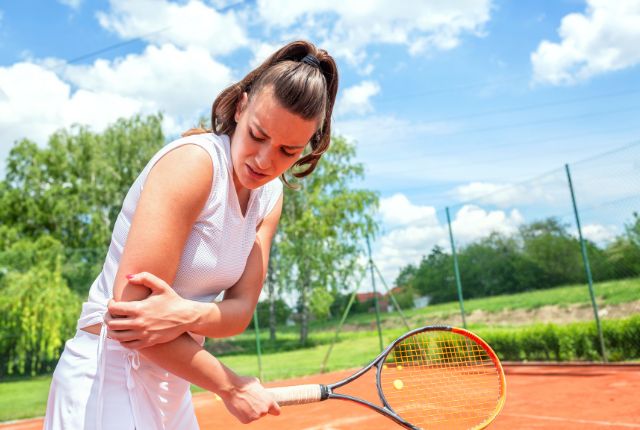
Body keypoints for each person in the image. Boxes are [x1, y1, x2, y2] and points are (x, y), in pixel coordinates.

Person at [44, 40, 339, 430]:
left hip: (174, 384)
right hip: (107, 374)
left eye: (288, 151)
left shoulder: (271, 196)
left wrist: (184, 312)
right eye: (257, 135)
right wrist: (231, 386)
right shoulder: (194, 164)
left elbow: (240, 312)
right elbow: (131, 320)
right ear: (240, 107)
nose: (265, 160)